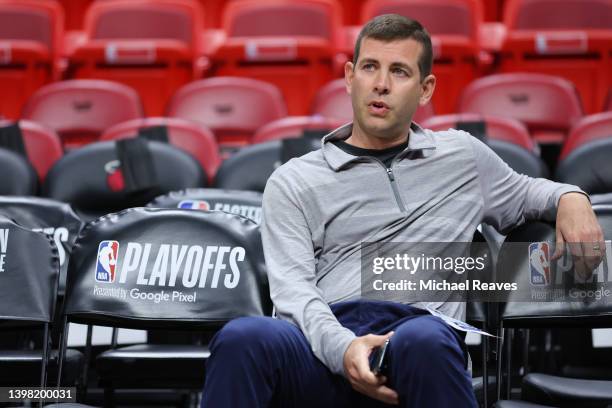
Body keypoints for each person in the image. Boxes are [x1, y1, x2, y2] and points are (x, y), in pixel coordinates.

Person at [200, 14, 603, 407]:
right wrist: (345, 350)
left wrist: (572, 199)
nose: (380, 84)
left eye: (399, 72)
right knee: (244, 338)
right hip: (321, 346)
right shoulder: (294, 180)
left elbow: (530, 193)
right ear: (349, 76)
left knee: (425, 337)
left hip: (416, 341)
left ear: (425, 89)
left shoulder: (462, 156)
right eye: (370, 67)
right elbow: (293, 293)